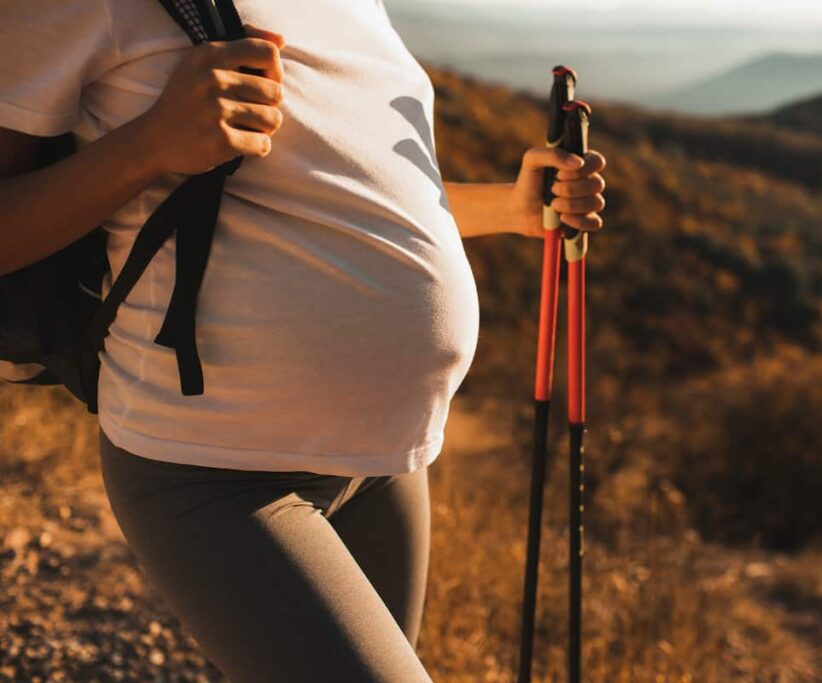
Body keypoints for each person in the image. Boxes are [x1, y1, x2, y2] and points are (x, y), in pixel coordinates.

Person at [0, 0, 607, 680]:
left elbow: (349, 186)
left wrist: (510, 207)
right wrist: (149, 144)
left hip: (386, 461)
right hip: (215, 464)